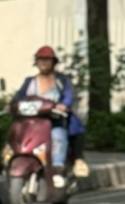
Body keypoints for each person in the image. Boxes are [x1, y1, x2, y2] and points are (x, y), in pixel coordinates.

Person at [13, 46, 90, 187]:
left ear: (53, 62)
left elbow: (68, 96)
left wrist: (63, 105)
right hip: (32, 123)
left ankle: (57, 169)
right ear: (36, 62)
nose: (43, 62)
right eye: (40, 59)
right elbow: (19, 96)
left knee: (58, 137)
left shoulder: (61, 81)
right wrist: (11, 105)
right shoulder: (30, 81)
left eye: (47, 60)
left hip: (55, 122)